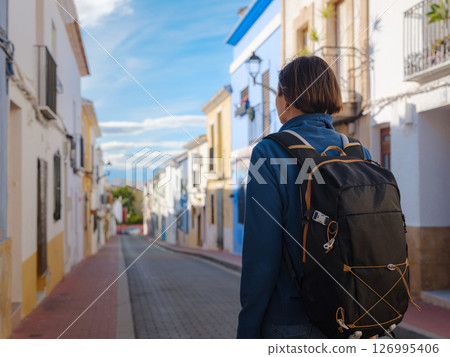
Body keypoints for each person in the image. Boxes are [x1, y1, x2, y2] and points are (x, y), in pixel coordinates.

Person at [236, 55, 371, 339]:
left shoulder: (269, 153)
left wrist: (247, 330)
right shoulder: (358, 152)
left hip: (292, 322)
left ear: (286, 100)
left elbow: (261, 257)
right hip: (353, 319)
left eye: (278, 93)